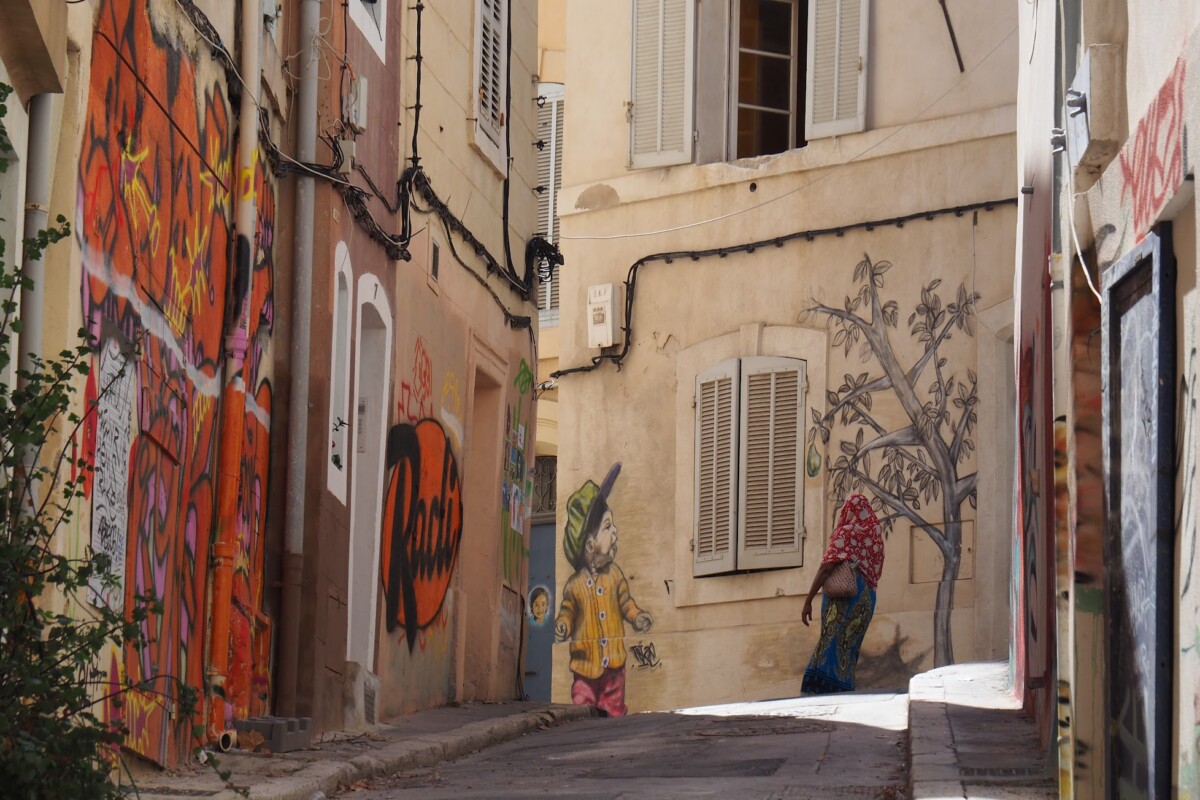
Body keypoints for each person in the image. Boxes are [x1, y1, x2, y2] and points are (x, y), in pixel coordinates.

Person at [554, 462, 652, 717]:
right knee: (581, 707)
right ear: (589, 545)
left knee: (614, 709)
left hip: (614, 668)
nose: (615, 533)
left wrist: (636, 616)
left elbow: (625, 602)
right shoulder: (574, 585)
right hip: (584, 669)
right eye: (608, 527)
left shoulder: (615, 575)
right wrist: (563, 624)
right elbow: (567, 609)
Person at [800, 493, 885, 694]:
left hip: (844, 596)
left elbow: (827, 568)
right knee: (849, 646)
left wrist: (808, 599)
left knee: (830, 641)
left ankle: (817, 688)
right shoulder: (875, 539)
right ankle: (844, 688)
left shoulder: (846, 533)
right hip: (866, 601)